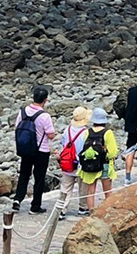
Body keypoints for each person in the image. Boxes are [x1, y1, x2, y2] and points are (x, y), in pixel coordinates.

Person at [14, 84, 56, 213]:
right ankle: (35, 206)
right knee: (39, 178)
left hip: (26, 149)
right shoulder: (45, 116)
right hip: (41, 151)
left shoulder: (23, 111)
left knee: (24, 175)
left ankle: (17, 198)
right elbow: (51, 135)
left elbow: (17, 127)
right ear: (45, 100)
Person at [79, 107, 119, 214]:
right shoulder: (108, 132)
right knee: (107, 191)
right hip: (105, 165)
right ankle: (107, 212)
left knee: (90, 191)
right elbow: (113, 152)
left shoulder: (88, 132)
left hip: (90, 165)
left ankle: (91, 211)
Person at [57, 107, 91, 218]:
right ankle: (83, 207)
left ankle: (62, 209)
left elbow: (63, 144)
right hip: (80, 164)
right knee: (83, 187)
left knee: (66, 187)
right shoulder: (86, 132)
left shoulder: (67, 130)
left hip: (68, 162)